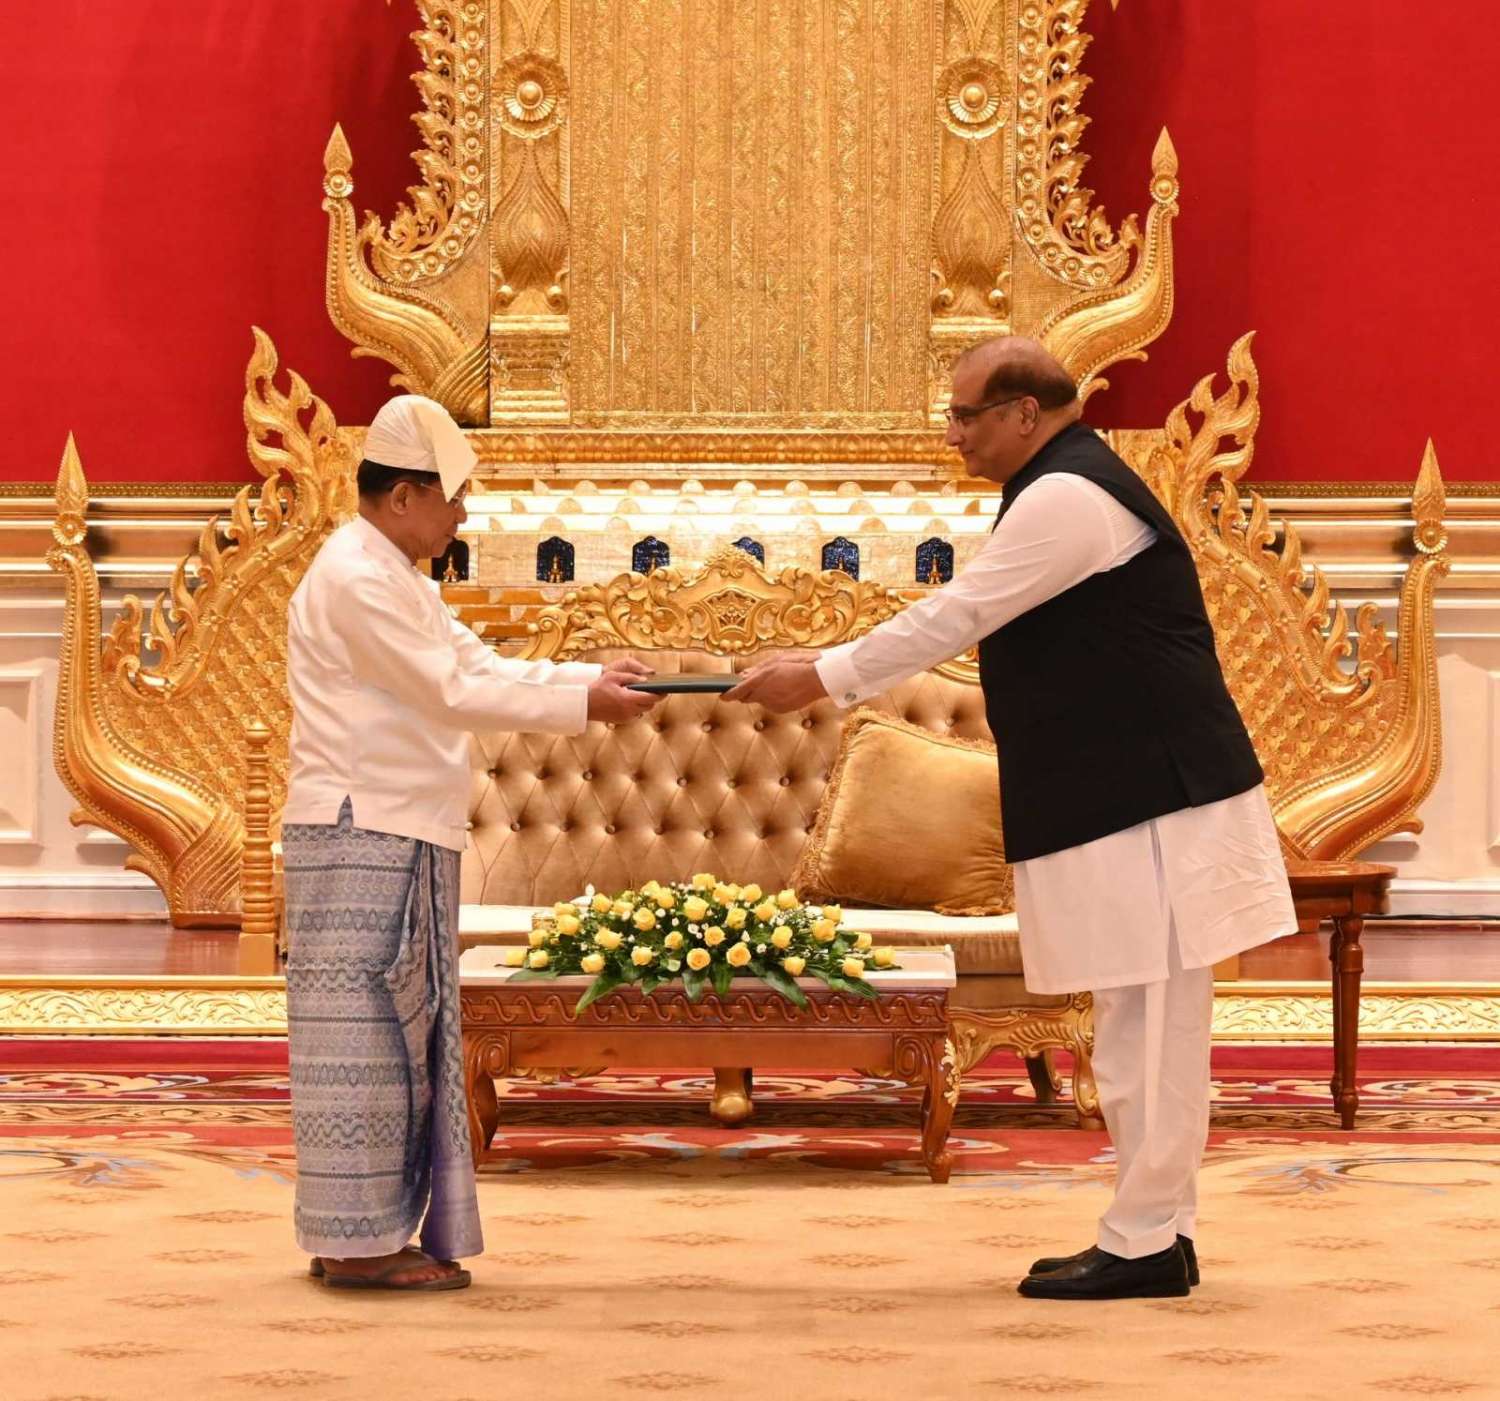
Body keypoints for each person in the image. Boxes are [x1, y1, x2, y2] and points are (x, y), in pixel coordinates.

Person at [725, 337, 1295, 1302]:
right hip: (1132, 797)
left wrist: (819, 674)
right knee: (1135, 1026)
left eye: (966, 415)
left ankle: (1148, 1241)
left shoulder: (1068, 495)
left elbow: (958, 615)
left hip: (1160, 800)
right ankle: (1155, 1232)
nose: (953, 434)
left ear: (1026, 413)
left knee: (1150, 1030)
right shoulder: (1059, 482)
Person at [281, 394, 661, 1291]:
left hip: (393, 826)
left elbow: (477, 664)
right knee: (365, 1043)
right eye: (453, 496)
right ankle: (357, 1244)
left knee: (395, 1040)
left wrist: (589, 676)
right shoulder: (356, 577)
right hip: (361, 829)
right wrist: (584, 703)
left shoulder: (395, 576)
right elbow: (450, 692)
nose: (464, 513)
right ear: (404, 496)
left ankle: (359, 1234)